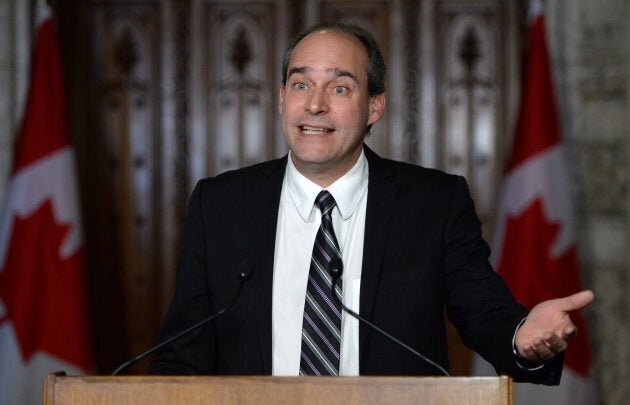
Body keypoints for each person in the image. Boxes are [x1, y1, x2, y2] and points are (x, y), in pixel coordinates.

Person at [149, 22, 593, 383]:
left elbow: (483, 312)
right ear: (283, 98)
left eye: (339, 89)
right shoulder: (221, 205)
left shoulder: (433, 204)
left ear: (374, 107)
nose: (315, 106)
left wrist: (520, 339)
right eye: (301, 84)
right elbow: (183, 354)